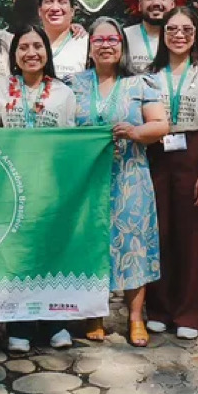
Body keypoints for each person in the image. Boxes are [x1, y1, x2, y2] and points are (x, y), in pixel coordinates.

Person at [67, 17, 169, 347]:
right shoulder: (72, 84)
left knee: (133, 246)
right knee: (91, 245)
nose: (106, 45)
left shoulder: (140, 84)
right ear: (90, 46)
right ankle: (93, 315)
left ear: (122, 46)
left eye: (113, 39)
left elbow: (160, 125)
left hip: (130, 177)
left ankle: (135, 318)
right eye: (99, 40)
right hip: (87, 181)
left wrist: (136, 132)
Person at [143, 7, 198, 340]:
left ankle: (191, 313)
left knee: (193, 235)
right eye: (172, 29)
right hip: (156, 152)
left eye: (187, 30)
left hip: (194, 153)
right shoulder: (149, 73)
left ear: (196, 34)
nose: (179, 35)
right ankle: (160, 308)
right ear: (162, 34)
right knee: (158, 232)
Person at [0, 25, 77, 352]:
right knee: (16, 257)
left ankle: (56, 323)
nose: (31, 53)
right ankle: (20, 326)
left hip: (49, 186)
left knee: (51, 253)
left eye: (37, 46)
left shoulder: (63, 93)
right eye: (23, 47)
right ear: (14, 54)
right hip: (10, 185)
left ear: (47, 51)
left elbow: (71, 142)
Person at [39, 0, 89, 79]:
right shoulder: (28, 44)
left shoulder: (86, 44)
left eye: (62, 2)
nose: (55, 8)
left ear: (72, 11)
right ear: (39, 11)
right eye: (49, 1)